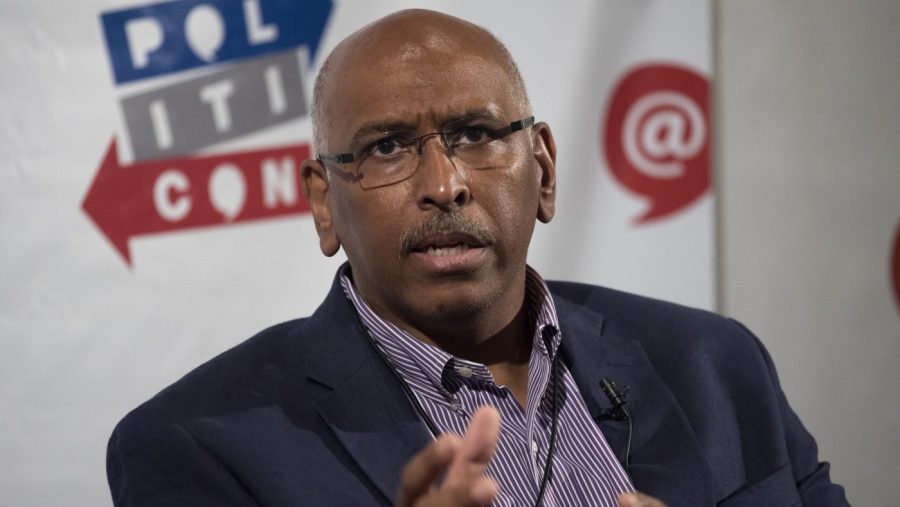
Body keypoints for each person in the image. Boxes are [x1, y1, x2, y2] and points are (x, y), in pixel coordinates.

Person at [106, 9, 849, 507]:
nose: (444, 184)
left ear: (544, 169)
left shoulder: (718, 366)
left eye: (476, 134)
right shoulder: (196, 446)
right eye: (386, 147)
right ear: (324, 202)